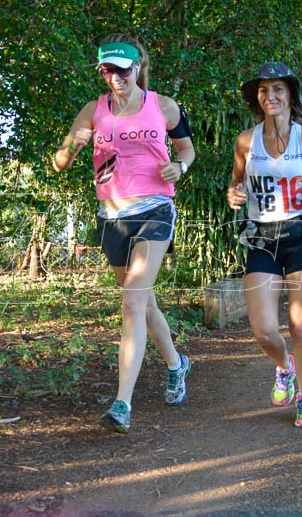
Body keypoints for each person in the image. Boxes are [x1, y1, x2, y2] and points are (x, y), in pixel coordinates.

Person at [53, 34, 196, 433]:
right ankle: (176, 364)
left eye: (122, 68)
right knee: (144, 305)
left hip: (155, 209)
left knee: (132, 304)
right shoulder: (93, 110)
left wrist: (179, 168)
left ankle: (122, 403)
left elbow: (187, 150)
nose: (116, 76)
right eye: (107, 70)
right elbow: (59, 163)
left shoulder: (162, 106)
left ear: (138, 67)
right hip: (111, 216)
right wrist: (75, 146)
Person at [226, 62, 302, 427]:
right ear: (257, 98)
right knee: (263, 330)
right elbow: (236, 184)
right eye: (264, 90)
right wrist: (234, 194)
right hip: (261, 239)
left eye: (278, 89)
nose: (271, 96)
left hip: (300, 236)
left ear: (291, 96)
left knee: (300, 326)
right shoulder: (245, 141)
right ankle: (284, 366)